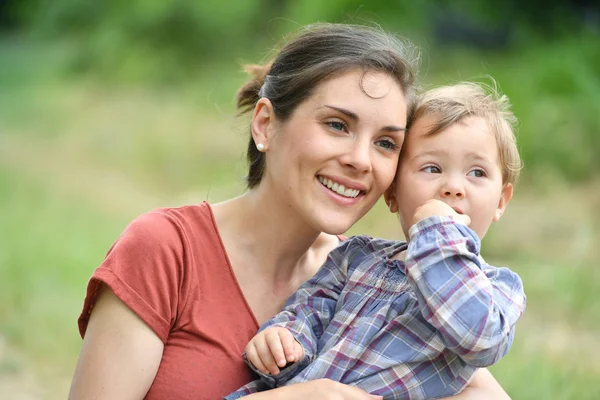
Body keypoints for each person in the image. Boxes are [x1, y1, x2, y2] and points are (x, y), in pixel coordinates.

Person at [69, 23, 513, 400]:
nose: (361, 159)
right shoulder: (166, 251)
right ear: (265, 124)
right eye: (337, 125)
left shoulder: (379, 293)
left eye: (386, 143)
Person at [226, 82, 525, 399]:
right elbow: (311, 308)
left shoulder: (497, 289)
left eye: (476, 173)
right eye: (432, 168)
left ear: (502, 200)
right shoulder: (356, 256)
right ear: (393, 192)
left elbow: (479, 339)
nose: (453, 187)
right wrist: (285, 339)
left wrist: (438, 234)